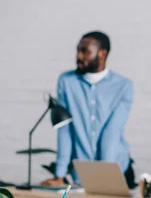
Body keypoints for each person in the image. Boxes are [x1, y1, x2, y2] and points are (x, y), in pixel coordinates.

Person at [42, 31, 136, 188]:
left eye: (85, 51)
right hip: (82, 174)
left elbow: (111, 133)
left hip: (116, 170)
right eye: (78, 50)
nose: (78, 56)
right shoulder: (67, 82)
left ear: (102, 54)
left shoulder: (123, 86)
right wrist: (59, 174)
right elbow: (65, 129)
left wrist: (104, 178)